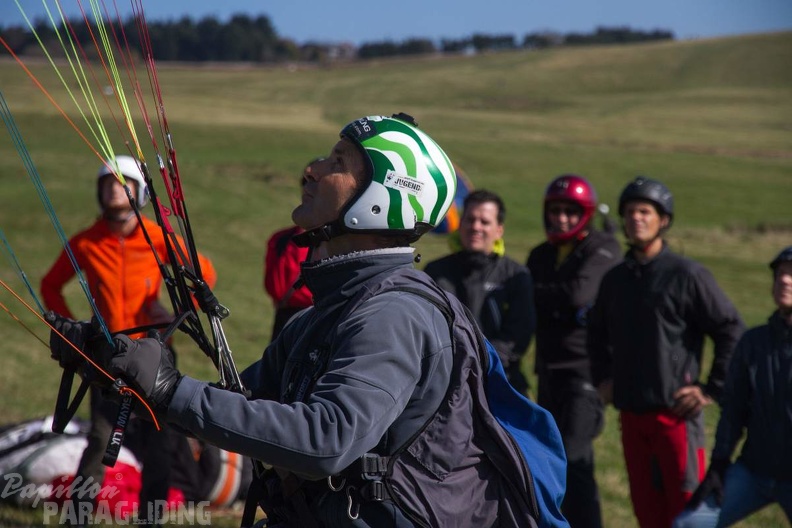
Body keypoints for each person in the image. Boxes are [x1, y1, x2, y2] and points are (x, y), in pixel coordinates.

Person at [48, 114, 555, 527]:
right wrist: (115, 368)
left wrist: (171, 389)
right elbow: (236, 407)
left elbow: (326, 440)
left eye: (337, 162)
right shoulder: (323, 314)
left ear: (379, 198)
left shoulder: (393, 314)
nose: (312, 170)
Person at [40, 155, 217, 524]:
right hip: (104, 356)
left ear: (138, 193)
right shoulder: (88, 242)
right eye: (107, 186)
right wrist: (71, 328)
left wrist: (172, 313)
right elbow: (50, 285)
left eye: (122, 185)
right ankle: (79, 518)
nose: (113, 192)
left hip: (154, 354)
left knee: (159, 443)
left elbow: (204, 277)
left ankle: (149, 519)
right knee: (99, 442)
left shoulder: (157, 239)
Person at [588, 176, 744, 528]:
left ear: (664, 220)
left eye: (645, 211)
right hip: (631, 415)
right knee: (646, 511)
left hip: (675, 416)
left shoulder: (688, 275)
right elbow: (595, 333)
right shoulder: (615, 279)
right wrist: (603, 378)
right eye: (630, 212)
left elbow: (730, 328)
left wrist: (710, 388)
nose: (636, 219)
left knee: (687, 511)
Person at [526, 174, 621, 528]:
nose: (561, 218)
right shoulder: (540, 254)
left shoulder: (604, 248)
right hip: (548, 372)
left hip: (584, 376)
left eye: (570, 211)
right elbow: (534, 299)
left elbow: (578, 295)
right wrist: (558, 299)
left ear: (586, 214)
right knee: (549, 461)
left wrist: (546, 295)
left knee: (575, 465)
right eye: (555, 210)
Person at [674, 246, 792, 527]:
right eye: (781, 274)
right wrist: (718, 466)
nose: (785, 280)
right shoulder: (754, 343)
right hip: (754, 471)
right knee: (689, 524)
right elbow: (733, 410)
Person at [424, 189, 536, 394]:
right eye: (470, 219)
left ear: (499, 230)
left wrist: (479, 362)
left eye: (484, 222)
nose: (476, 227)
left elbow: (518, 335)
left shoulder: (515, 276)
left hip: (500, 382)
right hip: (445, 385)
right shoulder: (436, 272)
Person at [262, 162, 317, 341]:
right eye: (306, 181)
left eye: (317, 182)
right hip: (288, 315)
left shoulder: (336, 241)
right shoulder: (281, 238)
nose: (309, 188)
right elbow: (273, 283)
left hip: (312, 317)